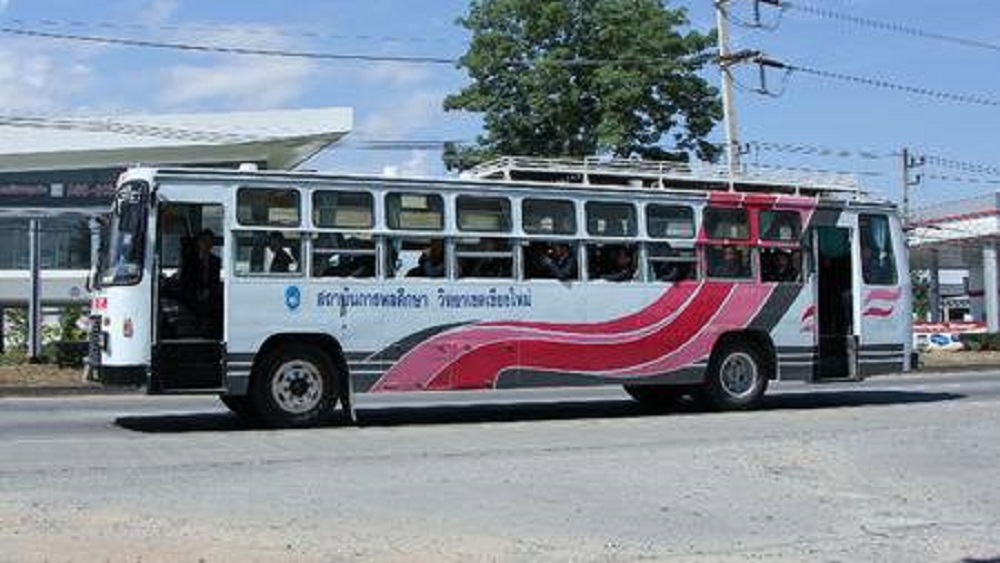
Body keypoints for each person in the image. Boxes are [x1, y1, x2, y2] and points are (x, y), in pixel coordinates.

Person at [180, 229, 222, 337]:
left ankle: (209, 330)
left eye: (210, 242)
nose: (207, 245)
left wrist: (208, 290)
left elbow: (215, 281)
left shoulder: (216, 261)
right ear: (198, 242)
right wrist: (197, 290)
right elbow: (185, 278)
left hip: (210, 293)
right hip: (192, 292)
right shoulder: (190, 259)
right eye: (204, 241)